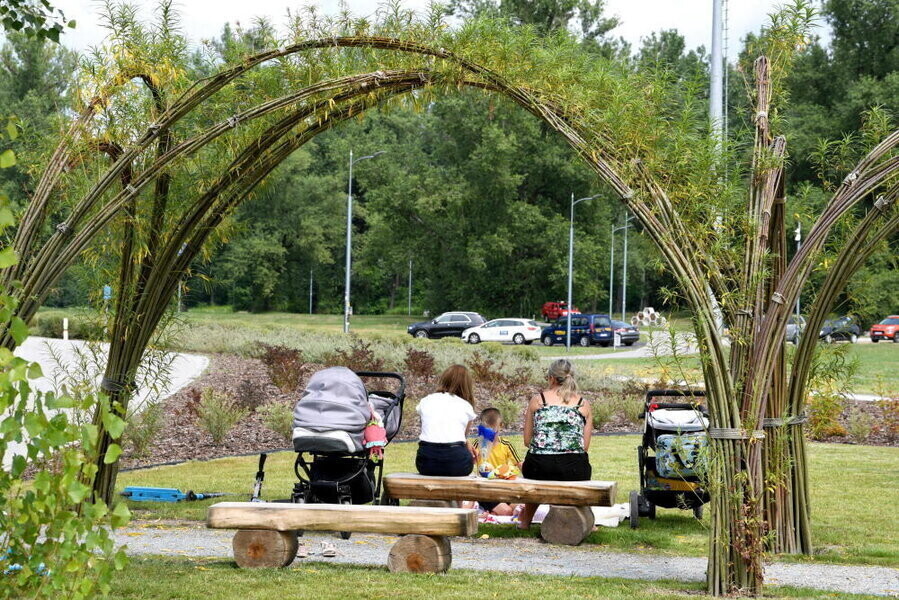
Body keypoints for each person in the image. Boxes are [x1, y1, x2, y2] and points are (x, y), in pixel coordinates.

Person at [517, 359, 593, 529]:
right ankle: (587, 518)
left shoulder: (538, 400)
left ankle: (526, 520)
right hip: (573, 469)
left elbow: (527, 441)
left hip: (539, 467)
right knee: (580, 462)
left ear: (550, 378)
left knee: (535, 465)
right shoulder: (583, 404)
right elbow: (584, 446)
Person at [415, 364, 477, 476]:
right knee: (465, 458)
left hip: (426, 463)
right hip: (457, 463)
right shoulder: (466, 406)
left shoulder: (426, 400)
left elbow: (427, 428)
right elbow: (463, 437)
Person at [469, 407, 522, 516]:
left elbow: (519, 464)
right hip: (486, 490)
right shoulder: (478, 444)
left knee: (519, 508)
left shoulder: (506, 445)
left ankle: (488, 512)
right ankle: (484, 512)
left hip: (504, 488)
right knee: (507, 511)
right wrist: (473, 459)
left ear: (501, 426)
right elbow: (469, 463)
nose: (491, 435)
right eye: (487, 431)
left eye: (494, 431)